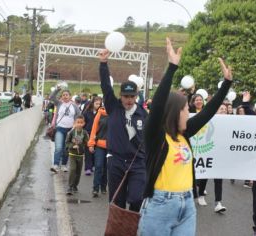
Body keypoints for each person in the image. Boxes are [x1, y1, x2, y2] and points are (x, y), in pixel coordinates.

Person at [138, 38, 232, 235]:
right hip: (160, 205)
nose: (188, 112)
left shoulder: (185, 133)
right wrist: (172, 67)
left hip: (188, 204)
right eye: (184, 109)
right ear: (173, 112)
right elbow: (156, 107)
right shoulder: (155, 135)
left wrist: (226, 84)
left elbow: (207, 113)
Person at [98, 49, 148, 212]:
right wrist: (103, 64)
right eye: (125, 96)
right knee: (117, 203)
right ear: (120, 96)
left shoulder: (142, 113)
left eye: (132, 96)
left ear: (136, 96)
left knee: (136, 199)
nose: (128, 100)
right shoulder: (114, 107)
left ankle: (133, 225)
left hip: (137, 162)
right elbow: (106, 86)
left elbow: (149, 137)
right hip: (116, 161)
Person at [197, 104, 227, 213]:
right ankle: (200, 195)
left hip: (220, 155)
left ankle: (218, 203)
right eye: (221, 109)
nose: (223, 110)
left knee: (219, 178)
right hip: (208, 151)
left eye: (225, 109)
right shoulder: (211, 121)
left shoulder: (231, 123)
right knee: (205, 175)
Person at [49, 88, 81, 173]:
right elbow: (51, 97)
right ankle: (55, 165)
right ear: (61, 97)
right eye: (63, 95)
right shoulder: (59, 103)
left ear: (70, 96)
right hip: (59, 128)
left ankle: (63, 165)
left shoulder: (74, 106)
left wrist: (76, 125)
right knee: (59, 147)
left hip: (70, 130)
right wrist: (57, 90)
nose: (65, 96)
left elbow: (79, 115)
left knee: (66, 148)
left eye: (67, 95)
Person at [65, 115, 89, 195]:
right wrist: (72, 146)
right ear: (75, 123)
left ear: (84, 123)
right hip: (72, 154)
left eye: (81, 122)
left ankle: (75, 185)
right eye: (78, 122)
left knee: (78, 172)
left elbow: (87, 142)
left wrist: (89, 143)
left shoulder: (85, 133)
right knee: (72, 169)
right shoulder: (71, 132)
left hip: (80, 155)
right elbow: (67, 143)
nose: (79, 124)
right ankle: (70, 186)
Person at [88, 106, 108, 197]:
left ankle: (103, 187)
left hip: (112, 147)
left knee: (107, 168)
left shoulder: (116, 113)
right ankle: (95, 189)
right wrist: (91, 143)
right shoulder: (100, 113)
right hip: (99, 145)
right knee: (99, 166)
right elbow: (94, 129)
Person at [83, 96, 103, 175]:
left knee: (95, 151)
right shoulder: (87, 112)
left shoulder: (102, 113)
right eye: (96, 103)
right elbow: (83, 122)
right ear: (93, 103)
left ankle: (94, 165)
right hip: (88, 133)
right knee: (88, 151)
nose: (98, 105)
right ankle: (88, 168)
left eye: (99, 104)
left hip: (98, 135)